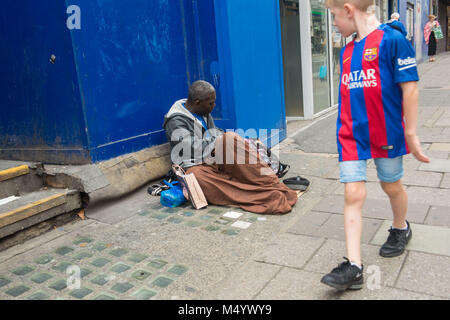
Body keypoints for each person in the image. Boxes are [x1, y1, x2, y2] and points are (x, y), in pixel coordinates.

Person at [321, 0, 430, 291]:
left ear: (348, 9)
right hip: (351, 136)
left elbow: (410, 88)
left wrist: (411, 134)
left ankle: (400, 227)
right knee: (352, 193)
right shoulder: (345, 51)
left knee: (391, 185)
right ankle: (354, 266)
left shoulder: (393, 40)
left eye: (333, 16)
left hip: (387, 133)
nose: (333, 23)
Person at [163, 80, 299, 214]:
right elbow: (191, 148)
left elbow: (214, 132)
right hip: (195, 163)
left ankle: (271, 184)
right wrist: (219, 141)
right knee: (197, 178)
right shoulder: (175, 121)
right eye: (211, 103)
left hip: (212, 158)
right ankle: (265, 195)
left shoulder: (202, 111)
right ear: (198, 102)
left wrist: (228, 140)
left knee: (231, 140)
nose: (214, 106)